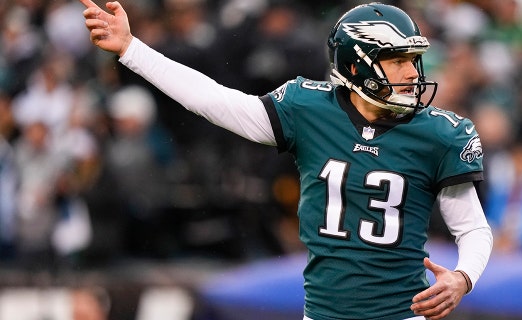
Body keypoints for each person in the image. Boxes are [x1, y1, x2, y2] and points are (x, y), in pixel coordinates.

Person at [78, 1, 493, 319]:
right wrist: (131, 49)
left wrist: (463, 277)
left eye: (412, 59)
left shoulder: (439, 133)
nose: (412, 73)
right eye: (397, 60)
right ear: (355, 64)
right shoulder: (309, 109)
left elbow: (473, 228)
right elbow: (212, 100)